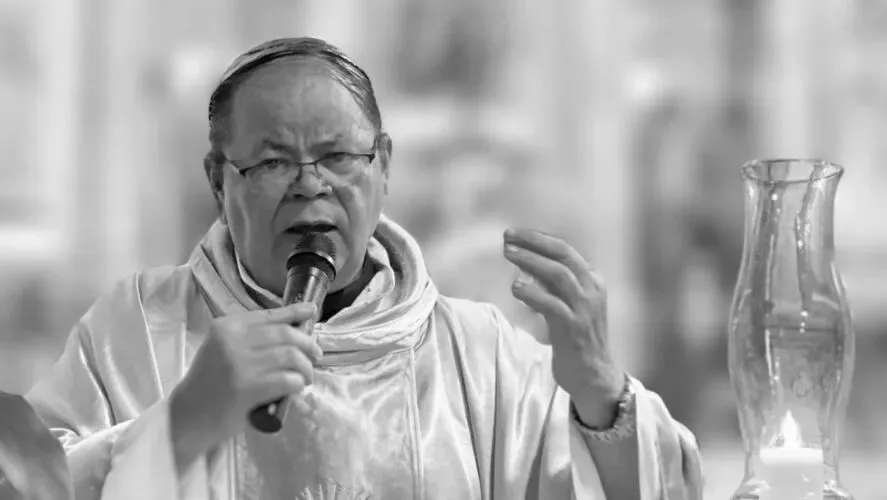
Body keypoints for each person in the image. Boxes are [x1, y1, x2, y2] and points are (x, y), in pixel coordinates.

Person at [25, 37, 703, 499]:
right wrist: (180, 425)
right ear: (216, 179)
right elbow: (25, 482)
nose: (308, 185)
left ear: (382, 167)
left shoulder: (481, 356)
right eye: (270, 162)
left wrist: (601, 398)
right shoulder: (136, 329)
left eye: (337, 157)